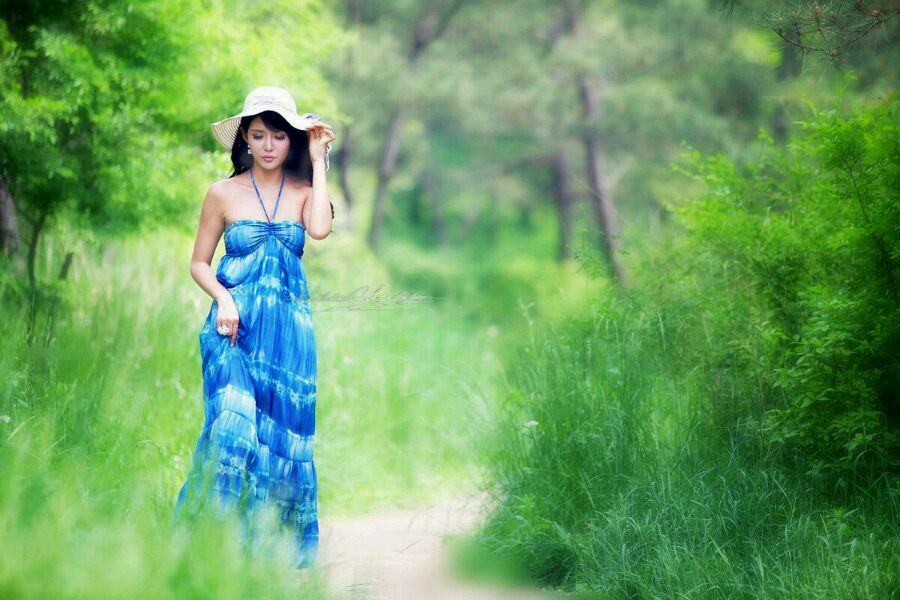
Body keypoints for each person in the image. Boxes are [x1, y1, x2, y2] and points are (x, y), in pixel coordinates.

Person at [171, 86, 336, 569]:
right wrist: (223, 298)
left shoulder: (304, 192)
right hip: (232, 332)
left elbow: (320, 229)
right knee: (232, 429)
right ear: (244, 137)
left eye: (279, 136)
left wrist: (319, 160)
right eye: (259, 134)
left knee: (281, 442)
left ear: (292, 141)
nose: (268, 145)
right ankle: (208, 548)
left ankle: (266, 552)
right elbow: (199, 263)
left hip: (288, 337)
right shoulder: (222, 193)